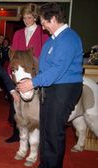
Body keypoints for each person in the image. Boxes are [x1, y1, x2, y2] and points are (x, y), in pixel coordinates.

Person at [17, 3, 83, 168]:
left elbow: (57, 70)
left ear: (53, 19)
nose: (43, 27)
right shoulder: (53, 40)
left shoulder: (68, 38)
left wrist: (32, 83)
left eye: (44, 22)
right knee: (45, 130)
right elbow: (44, 67)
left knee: (53, 133)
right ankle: (44, 164)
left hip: (64, 88)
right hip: (50, 88)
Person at [5, 3, 49, 143]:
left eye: (29, 17)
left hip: (34, 74)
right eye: (24, 18)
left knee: (34, 107)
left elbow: (44, 56)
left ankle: (36, 135)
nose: (26, 20)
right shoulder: (18, 33)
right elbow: (13, 55)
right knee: (17, 104)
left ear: (35, 17)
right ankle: (17, 133)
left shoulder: (43, 33)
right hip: (19, 73)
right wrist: (10, 72)